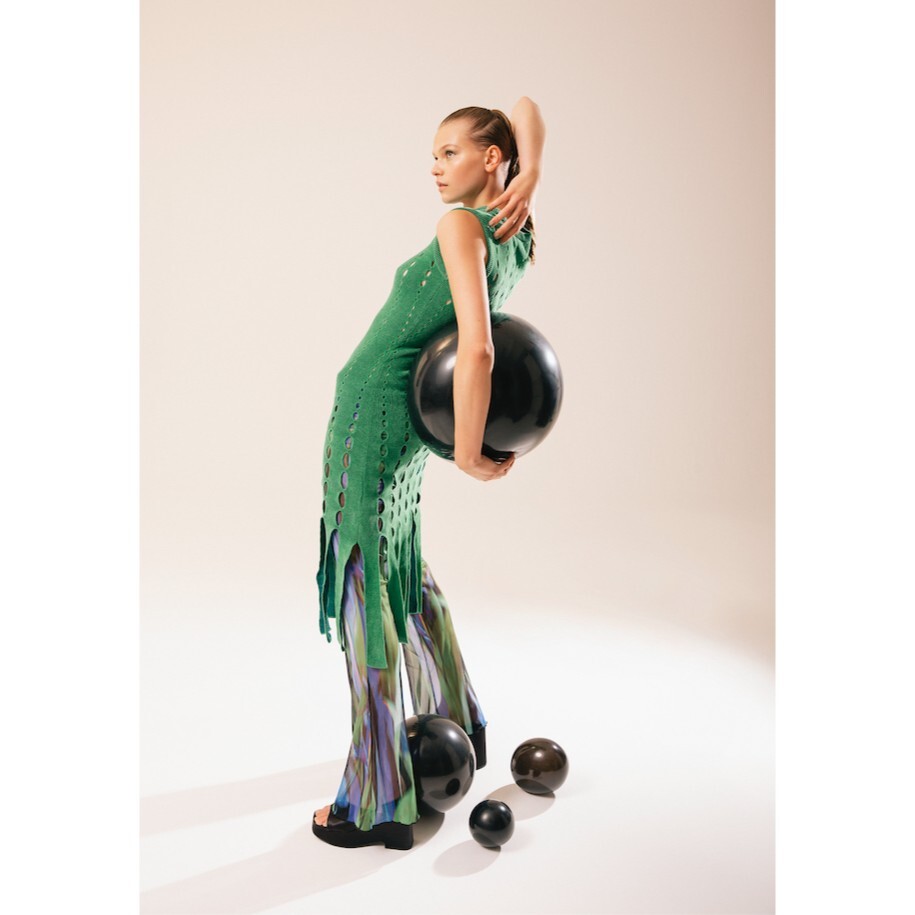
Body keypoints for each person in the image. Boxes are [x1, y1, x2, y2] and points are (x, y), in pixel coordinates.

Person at [312, 99, 546, 849]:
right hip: (409, 426)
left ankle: (378, 798)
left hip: (372, 419)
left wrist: (469, 452)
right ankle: (459, 724)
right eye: (433, 155)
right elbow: (527, 109)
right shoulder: (519, 232)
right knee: (403, 566)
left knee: (364, 584)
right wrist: (530, 175)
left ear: (490, 157)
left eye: (450, 151)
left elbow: (477, 348)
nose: (436, 167)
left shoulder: (461, 226)